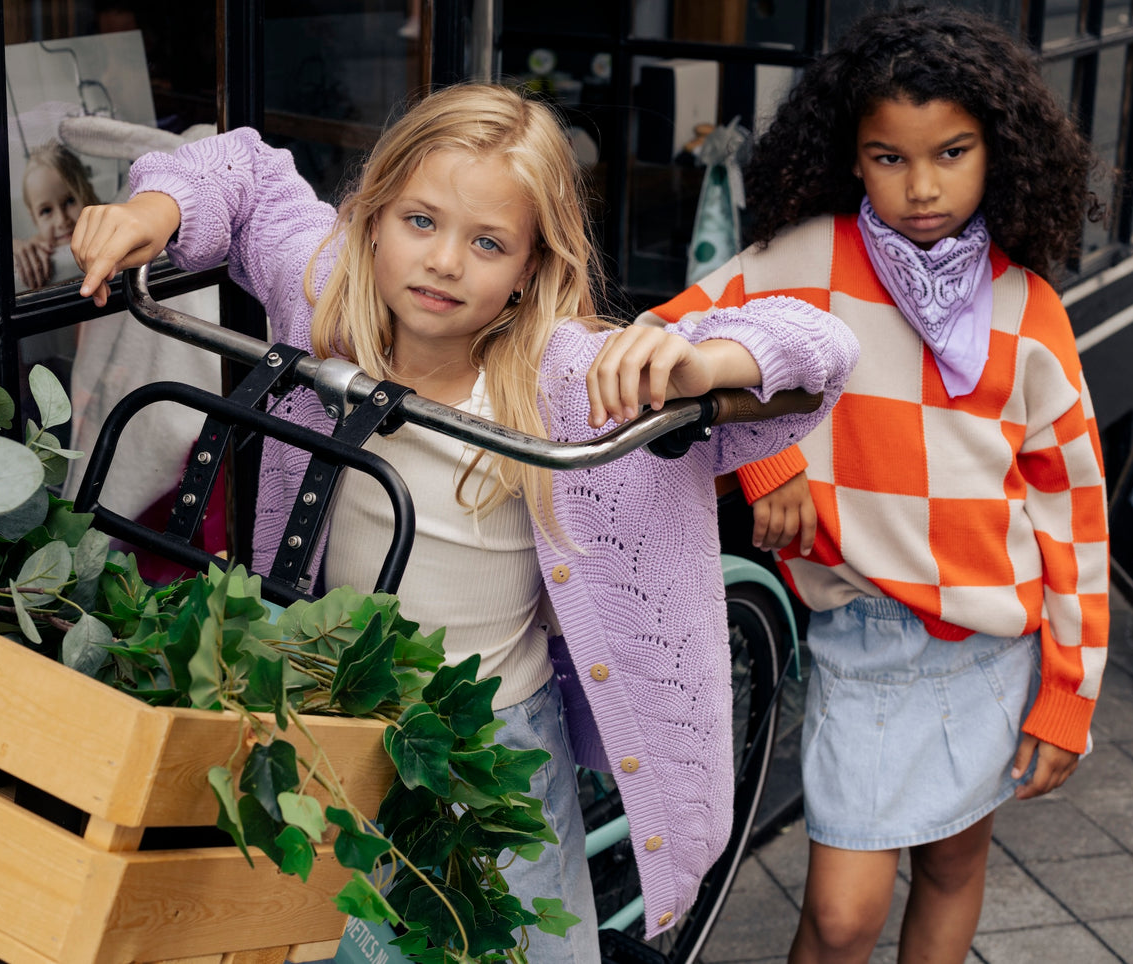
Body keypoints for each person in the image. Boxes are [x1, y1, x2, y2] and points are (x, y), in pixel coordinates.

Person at [69, 83, 859, 964]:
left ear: (530, 265)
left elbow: (819, 348)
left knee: (506, 946)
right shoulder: (331, 297)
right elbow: (245, 169)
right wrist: (155, 206)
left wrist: (697, 361)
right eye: (419, 221)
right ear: (370, 217)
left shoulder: (566, 382)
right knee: (316, 935)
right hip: (330, 713)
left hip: (491, 743)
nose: (444, 261)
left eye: (487, 243)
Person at [639, 8, 1109, 962]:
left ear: (999, 152)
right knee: (845, 914)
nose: (923, 185)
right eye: (888, 156)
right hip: (864, 632)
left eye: (951, 151)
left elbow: (1073, 512)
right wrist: (770, 454)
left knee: (949, 867)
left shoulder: (1027, 306)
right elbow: (669, 336)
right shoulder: (809, 260)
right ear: (850, 156)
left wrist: (1069, 693)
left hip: (991, 643)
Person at [14, 141, 100, 290]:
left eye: (70, 201)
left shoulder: (108, 222)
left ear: (89, 193)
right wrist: (14, 246)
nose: (62, 221)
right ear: (34, 219)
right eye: (46, 211)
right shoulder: (38, 247)